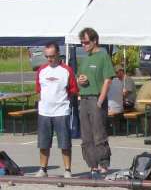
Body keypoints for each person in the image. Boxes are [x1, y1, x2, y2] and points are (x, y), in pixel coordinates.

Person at [34, 42, 78, 178]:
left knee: (64, 142)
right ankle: (43, 169)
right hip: (44, 112)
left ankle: (67, 170)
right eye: (47, 56)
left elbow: (73, 90)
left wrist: (64, 103)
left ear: (58, 54)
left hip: (61, 111)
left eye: (52, 56)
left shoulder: (67, 70)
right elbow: (38, 89)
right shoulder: (41, 70)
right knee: (43, 142)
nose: (49, 59)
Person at [77, 27, 115, 177]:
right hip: (84, 98)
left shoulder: (103, 56)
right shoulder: (85, 58)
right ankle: (92, 165)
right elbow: (79, 76)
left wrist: (100, 100)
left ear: (94, 41)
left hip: (95, 98)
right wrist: (80, 79)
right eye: (82, 43)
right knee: (86, 135)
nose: (84, 45)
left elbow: (108, 79)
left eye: (86, 42)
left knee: (99, 133)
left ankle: (103, 164)